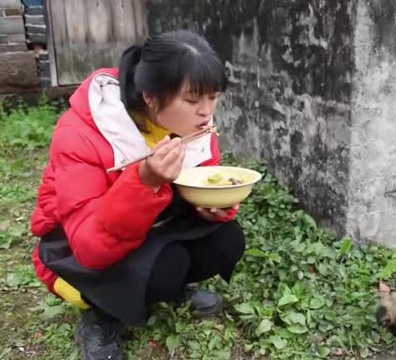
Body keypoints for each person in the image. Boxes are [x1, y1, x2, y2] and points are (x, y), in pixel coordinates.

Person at [30, 30, 246, 360]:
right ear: (150, 96)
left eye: (213, 98)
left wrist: (211, 205)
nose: (206, 112)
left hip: (146, 228)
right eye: (192, 100)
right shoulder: (84, 130)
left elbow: (201, 181)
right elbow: (89, 244)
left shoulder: (193, 127)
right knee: (165, 266)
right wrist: (144, 181)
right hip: (73, 245)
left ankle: (170, 290)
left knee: (226, 240)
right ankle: (102, 315)